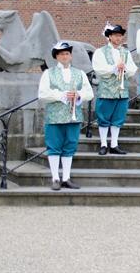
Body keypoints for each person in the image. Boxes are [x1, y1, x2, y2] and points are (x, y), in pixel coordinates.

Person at [38, 41, 94, 190]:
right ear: (56, 56)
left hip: (73, 116)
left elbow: (90, 93)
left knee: (70, 146)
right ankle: (55, 178)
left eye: (67, 53)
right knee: (54, 146)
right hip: (55, 117)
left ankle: (66, 178)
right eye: (61, 54)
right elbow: (42, 94)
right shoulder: (48, 73)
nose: (65, 56)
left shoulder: (80, 73)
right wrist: (61, 95)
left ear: (70, 56)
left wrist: (79, 95)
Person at [92, 23, 138, 155]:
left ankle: (114, 144)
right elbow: (99, 69)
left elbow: (133, 68)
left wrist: (125, 69)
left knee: (118, 119)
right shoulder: (100, 52)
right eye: (116, 35)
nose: (118, 38)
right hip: (106, 90)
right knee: (104, 118)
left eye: (120, 36)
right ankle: (103, 144)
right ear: (110, 36)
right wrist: (114, 68)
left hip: (121, 91)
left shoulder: (125, 52)